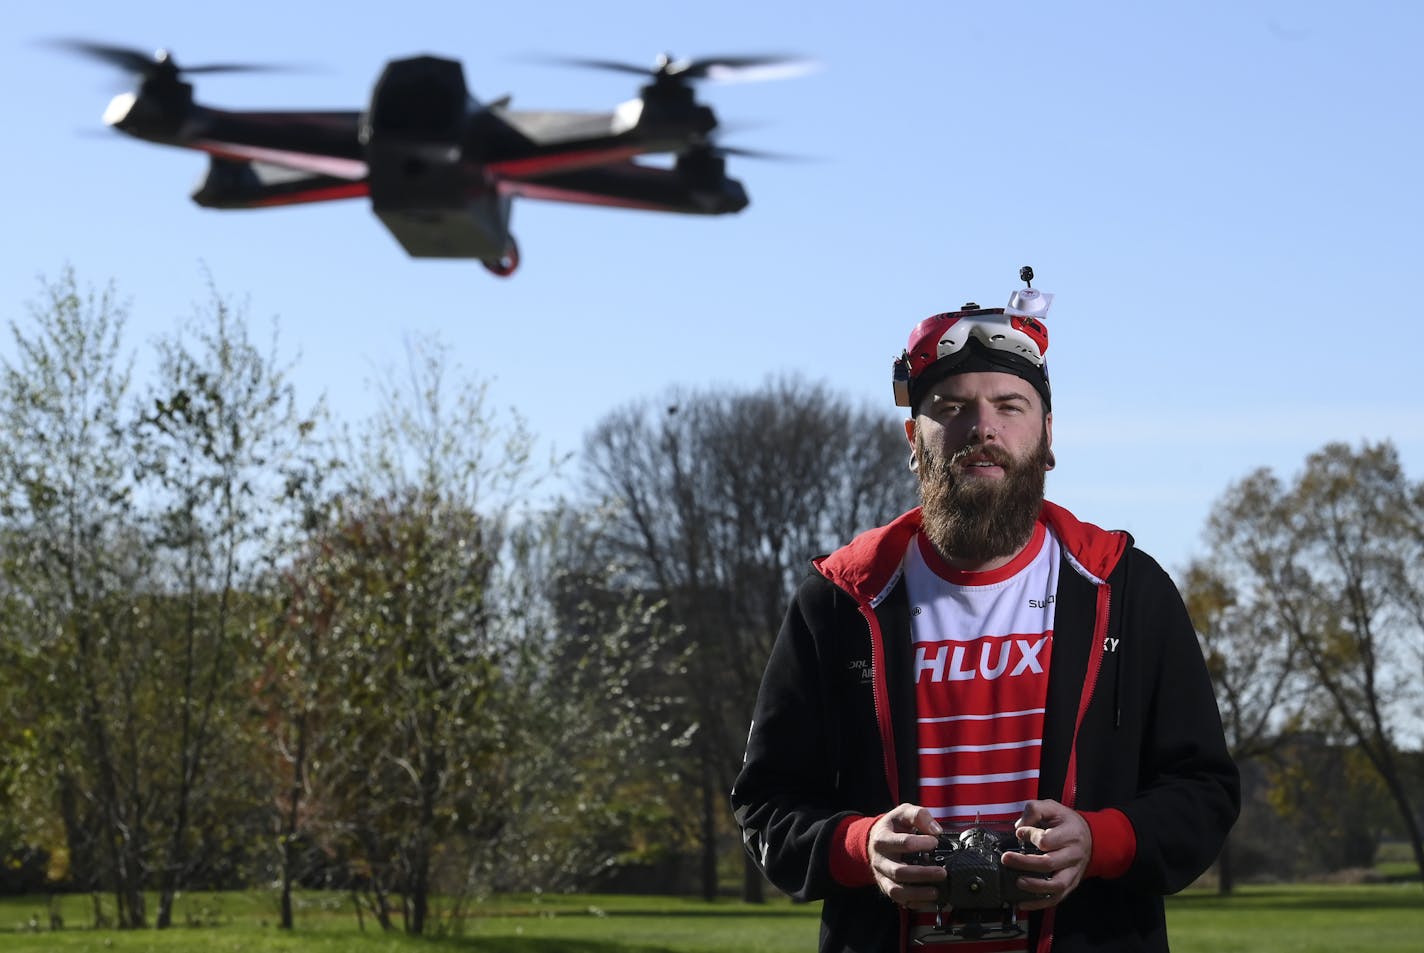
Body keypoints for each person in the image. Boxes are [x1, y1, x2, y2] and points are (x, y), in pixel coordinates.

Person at [730, 269, 1239, 953]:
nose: (982, 427)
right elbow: (766, 803)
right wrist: (860, 845)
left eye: (1010, 404)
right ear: (914, 439)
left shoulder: (1129, 591)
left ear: (1048, 435)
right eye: (950, 406)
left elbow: (1203, 790)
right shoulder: (841, 600)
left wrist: (1099, 839)